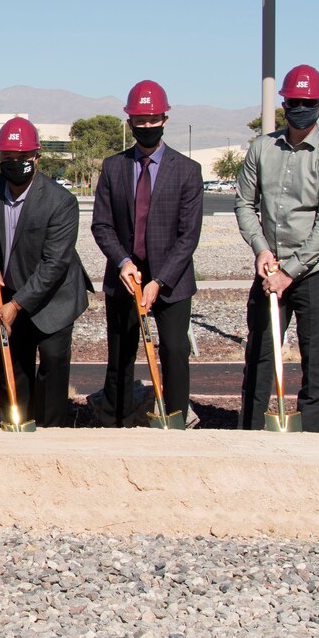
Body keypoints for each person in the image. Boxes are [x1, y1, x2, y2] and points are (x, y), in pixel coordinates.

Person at [236, 64, 319, 433]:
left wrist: (290, 272)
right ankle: (252, 432)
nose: (300, 107)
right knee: (260, 354)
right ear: (284, 103)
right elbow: (244, 204)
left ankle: (306, 436)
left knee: (314, 359)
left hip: (318, 271)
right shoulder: (261, 148)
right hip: (270, 269)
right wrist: (260, 250)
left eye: (308, 102)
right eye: (294, 101)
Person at [0, 117, 93, 428]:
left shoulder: (60, 201)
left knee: (52, 366)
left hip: (54, 299)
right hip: (7, 292)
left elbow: (54, 265)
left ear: (37, 157)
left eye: (23, 158)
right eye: (8, 158)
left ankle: (51, 435)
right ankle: (15, 431)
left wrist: (17, 305)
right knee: (13, 365)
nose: (16, 164)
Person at [90, 80, 203, 427]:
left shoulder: (187, 170)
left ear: (164, 119)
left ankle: (175, 418)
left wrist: (159, 281)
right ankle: (117, 421)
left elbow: (188, 236)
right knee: (121, 354)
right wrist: (123, 263)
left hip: (172, 280)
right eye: (140, 121)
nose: (147, 127)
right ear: (130, 123)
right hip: (124, 278)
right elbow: (102, 225)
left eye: (153, 120)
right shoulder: (113, 167)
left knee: (174, 351)